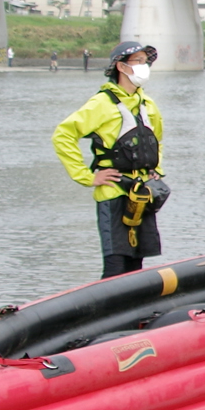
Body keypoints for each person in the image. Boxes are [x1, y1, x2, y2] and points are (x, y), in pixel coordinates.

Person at [52, 40, 169, 278]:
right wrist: (86, 176)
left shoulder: (148, 104)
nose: (144, 66)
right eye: (138, 61)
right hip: (113, 192)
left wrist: (156, 168)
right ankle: (106, 311)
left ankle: (137, 312)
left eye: (146, 62)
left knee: (137, 263)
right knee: (116, 264)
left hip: (143, 193)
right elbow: (63, 135)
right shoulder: (102, 104)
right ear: (121, 67)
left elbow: (156, 140)